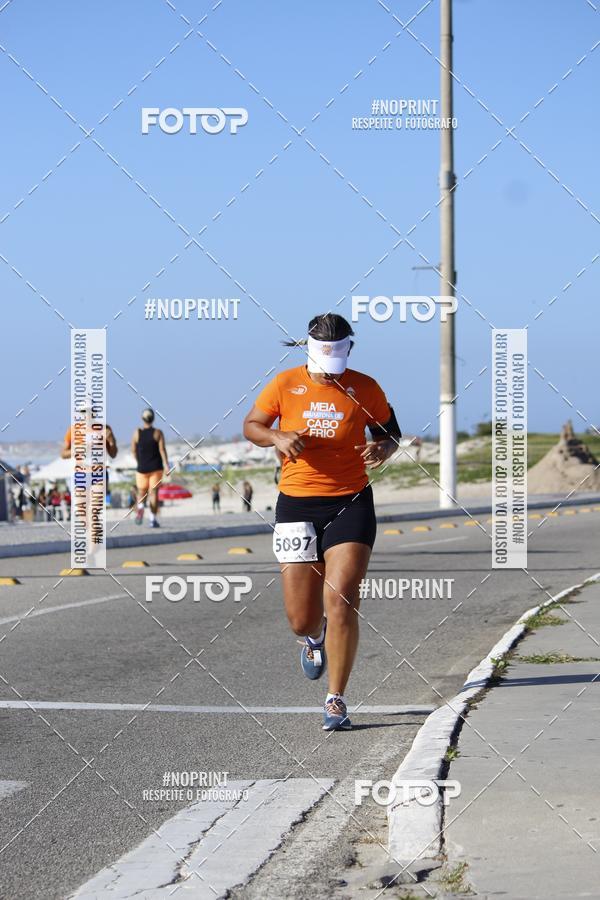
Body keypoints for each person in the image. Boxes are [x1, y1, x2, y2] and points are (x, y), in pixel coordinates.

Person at [243, 313, 401, 731]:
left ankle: (336, 699)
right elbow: (252, 425)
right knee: (301, 617)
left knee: (343, 596)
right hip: (296, 506)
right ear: (309, 349)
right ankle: (314, 639)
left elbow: (390, 432)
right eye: (322, 366)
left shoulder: (365, 386)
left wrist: (383, 448)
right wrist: (276, 437)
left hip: (351, 501)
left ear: (350, 348)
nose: (329, 376)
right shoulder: (284, 383)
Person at [131, 408, 169, 528]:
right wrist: (167, 465)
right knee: (153, 494)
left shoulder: (137, 432)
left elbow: (133, 450)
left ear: (142, 419)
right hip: (156, 468)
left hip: (142, 468)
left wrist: (139, 461)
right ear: (153, 418)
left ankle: (141, 507)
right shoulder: (158, 433)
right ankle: (153, 520)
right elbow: (162, 450)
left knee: (141, 492)